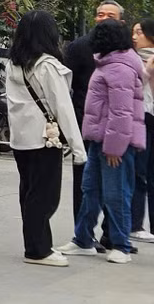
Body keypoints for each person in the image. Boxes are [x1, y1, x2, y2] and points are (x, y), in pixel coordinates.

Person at [60, 18, 146, 263]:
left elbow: (121, 112)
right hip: (101, 139)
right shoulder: (109, 63)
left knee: (115, 193)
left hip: (115, 144)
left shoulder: (119, 67)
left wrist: (115, 147)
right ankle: (83, 238)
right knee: (91, 190)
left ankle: (122, 245)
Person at [5, 11, 86, 267]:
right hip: (44, 137)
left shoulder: (13, 63)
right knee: (45, 195)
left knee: (29, 193)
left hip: (21, 138)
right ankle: (38, 249)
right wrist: (78, 148)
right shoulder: (47, 66)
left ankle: (38, 244)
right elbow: (63, 108)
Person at [64, 0, 124, 248]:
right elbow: (67, 84)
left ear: (120, 22)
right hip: (85, 125)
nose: (103, 18)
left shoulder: (125, 52)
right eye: (100, 14)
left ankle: (112, 235)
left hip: (117, 130)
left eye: (109, 15)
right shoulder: (78, 48)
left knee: (116, 184)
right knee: (85, 183)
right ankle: (84, 235)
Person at [133, 18, 154, 243]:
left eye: (139, 32)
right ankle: (135, 224)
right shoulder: (133, 59)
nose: (135, 36)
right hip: (142, 117)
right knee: (139, 173)